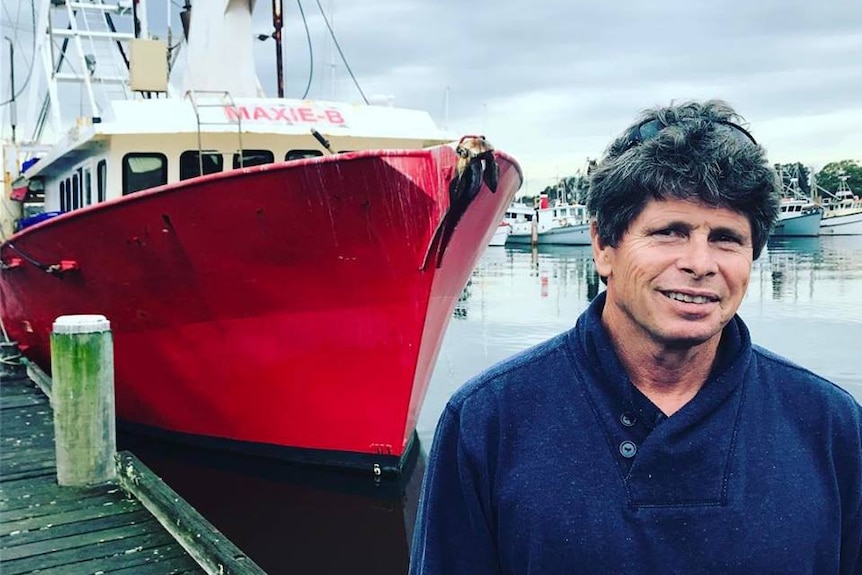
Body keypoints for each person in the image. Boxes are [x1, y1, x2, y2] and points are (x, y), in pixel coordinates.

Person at [409, 100, 862, 574]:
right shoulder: (490, 423)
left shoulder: (828, 426)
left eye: (727, 238)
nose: (700, 264)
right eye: (670, 231)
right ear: (604, 245)